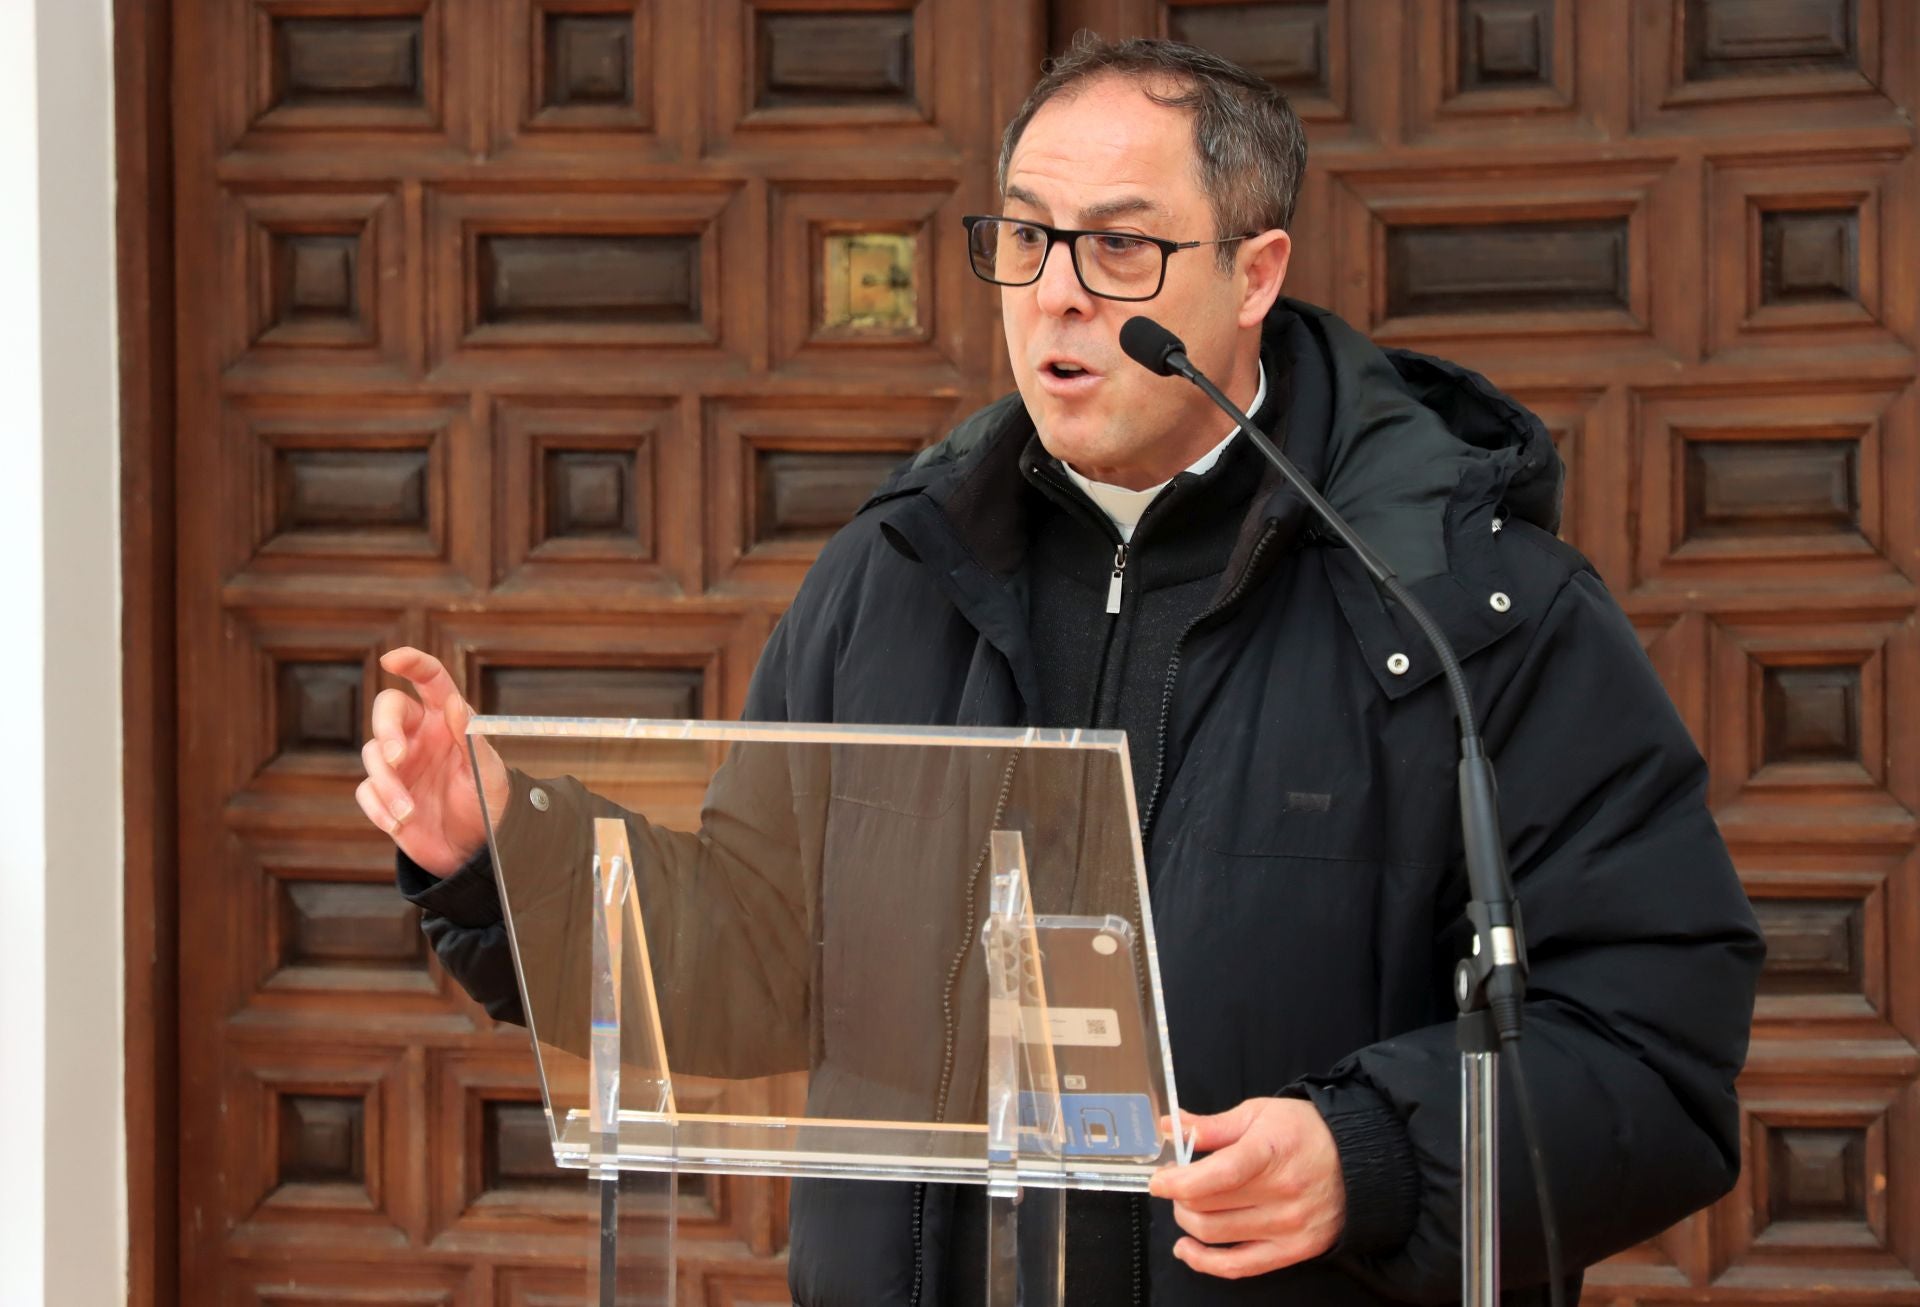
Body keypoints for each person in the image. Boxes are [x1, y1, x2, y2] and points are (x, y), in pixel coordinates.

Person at [359, 35, 1763, 1306]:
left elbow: (1651, 1048)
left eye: (1121, 250)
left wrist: (1369, 1155)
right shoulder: (894, 577)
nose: (1058, 299)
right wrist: (504, 850)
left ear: (1254, 273)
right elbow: (758, 962)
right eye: (1025, 241)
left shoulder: (1471, 609)